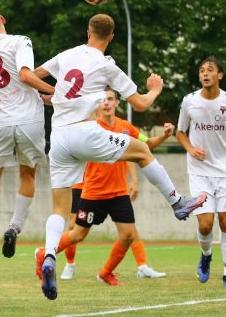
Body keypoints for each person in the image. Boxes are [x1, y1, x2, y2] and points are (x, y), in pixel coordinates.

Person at [33, 14, 207, 300]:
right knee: (142, 151)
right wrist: (155, 89)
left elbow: (35, 76)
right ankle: (178, 202)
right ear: (111, 37)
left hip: (59, 137)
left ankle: (50, 254)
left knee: (60, 210)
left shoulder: (68, 54)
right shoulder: (106, 65)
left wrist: (53, 96)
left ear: (87, 31)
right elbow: (139, 104)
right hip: (85, 133)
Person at [56, 89, 169, 283]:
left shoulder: (125, 127)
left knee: (129, 232)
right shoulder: (89, 127)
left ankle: (127, 268)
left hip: (117, 192)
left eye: (110, 99)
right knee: (76, 230)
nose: (106, 103)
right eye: (102, 100)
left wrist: (165, 136)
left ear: (117, 103)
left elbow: (143, 147)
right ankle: (61, 260)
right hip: (89, 188)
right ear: (97, 105)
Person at [0, 0, 54, 259]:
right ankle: (14, 228)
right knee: (27, 176)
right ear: (2, 19)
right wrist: (56, 91)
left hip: (2, 121)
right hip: (29, 119)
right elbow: (26, 75)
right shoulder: (21, 41)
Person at [176, 56, 226, 290]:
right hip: (199, 172)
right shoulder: (189, 101)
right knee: (205, 224)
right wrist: (190, 148)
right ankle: (206, 254)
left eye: (210, 70)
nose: (205, 74)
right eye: (202, 71)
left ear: (220, 75)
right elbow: (180, 132)